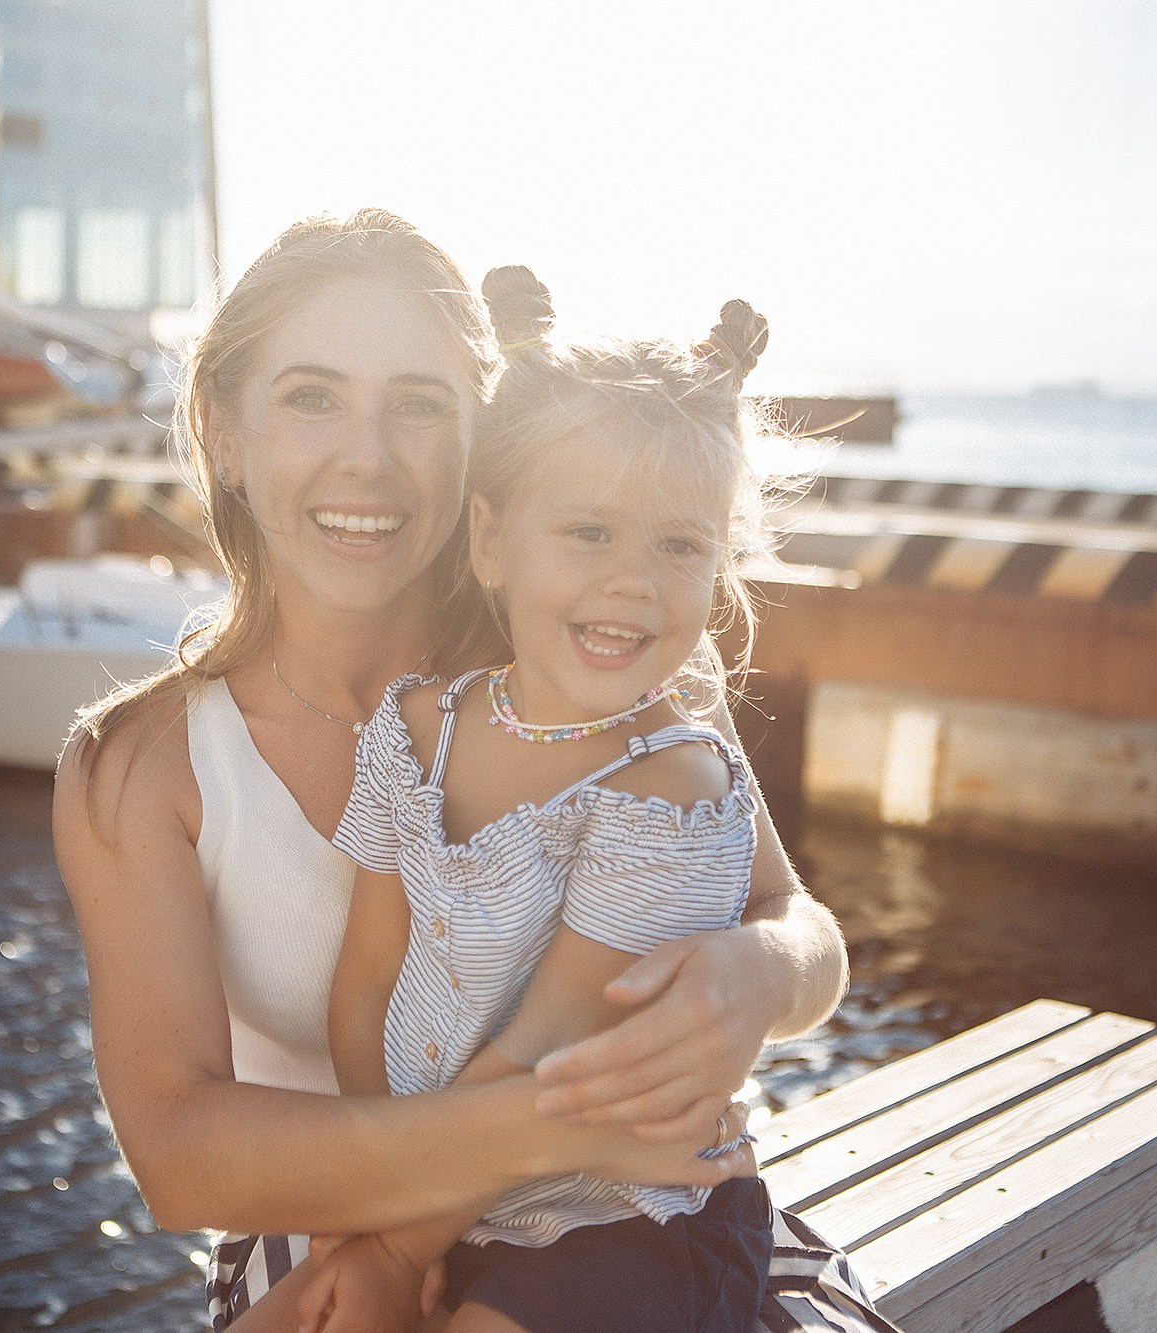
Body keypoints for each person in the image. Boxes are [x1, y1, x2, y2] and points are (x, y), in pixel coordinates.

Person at [52, 210, 891, 1333]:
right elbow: (182, 1158)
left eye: (419, 404)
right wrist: (528, 1150)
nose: (369, 455)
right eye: (311, 397)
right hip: (329, 1234)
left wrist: (754, 975)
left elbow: (799, 928)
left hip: (623, 1214)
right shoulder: (139, 771)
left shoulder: (582, 653)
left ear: (477, 444)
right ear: (222, 429)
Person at [304, 268, 794, 1333]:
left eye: (679, 545)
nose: (635, 582)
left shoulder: (671, 786)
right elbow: (365, 979)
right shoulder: (412, 730)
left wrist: (398, 1244)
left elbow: (548, 1047)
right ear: (488, 542)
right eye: (589, 532)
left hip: (625, 1214)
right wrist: (364, 1203)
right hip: (432, 1188)